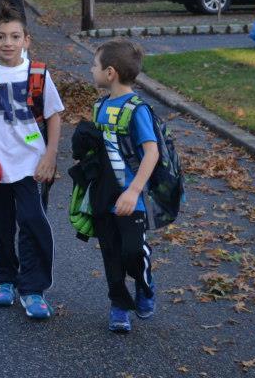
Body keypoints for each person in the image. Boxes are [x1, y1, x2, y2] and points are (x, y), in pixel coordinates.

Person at [0, 0, 63, 319]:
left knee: (33, 223)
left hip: (32, 165)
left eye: (15, 37)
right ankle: (5, 279)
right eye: (1, 37)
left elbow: (55, 116)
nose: (8, 43)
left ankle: (32, 288)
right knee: (2, 225)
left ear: (26, 40)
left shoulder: (39, 74)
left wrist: (50, 155)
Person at [89, 38, 159, 333]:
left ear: (110, 73)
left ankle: (144, 285)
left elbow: (151, 152)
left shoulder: (137, 109)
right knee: (111, 256)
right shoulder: (99, 106)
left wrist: (133, 191)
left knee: (133, 251)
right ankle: (119, 306)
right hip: (104, 198)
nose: (91, 69)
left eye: (95, 64)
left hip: (133, 201)